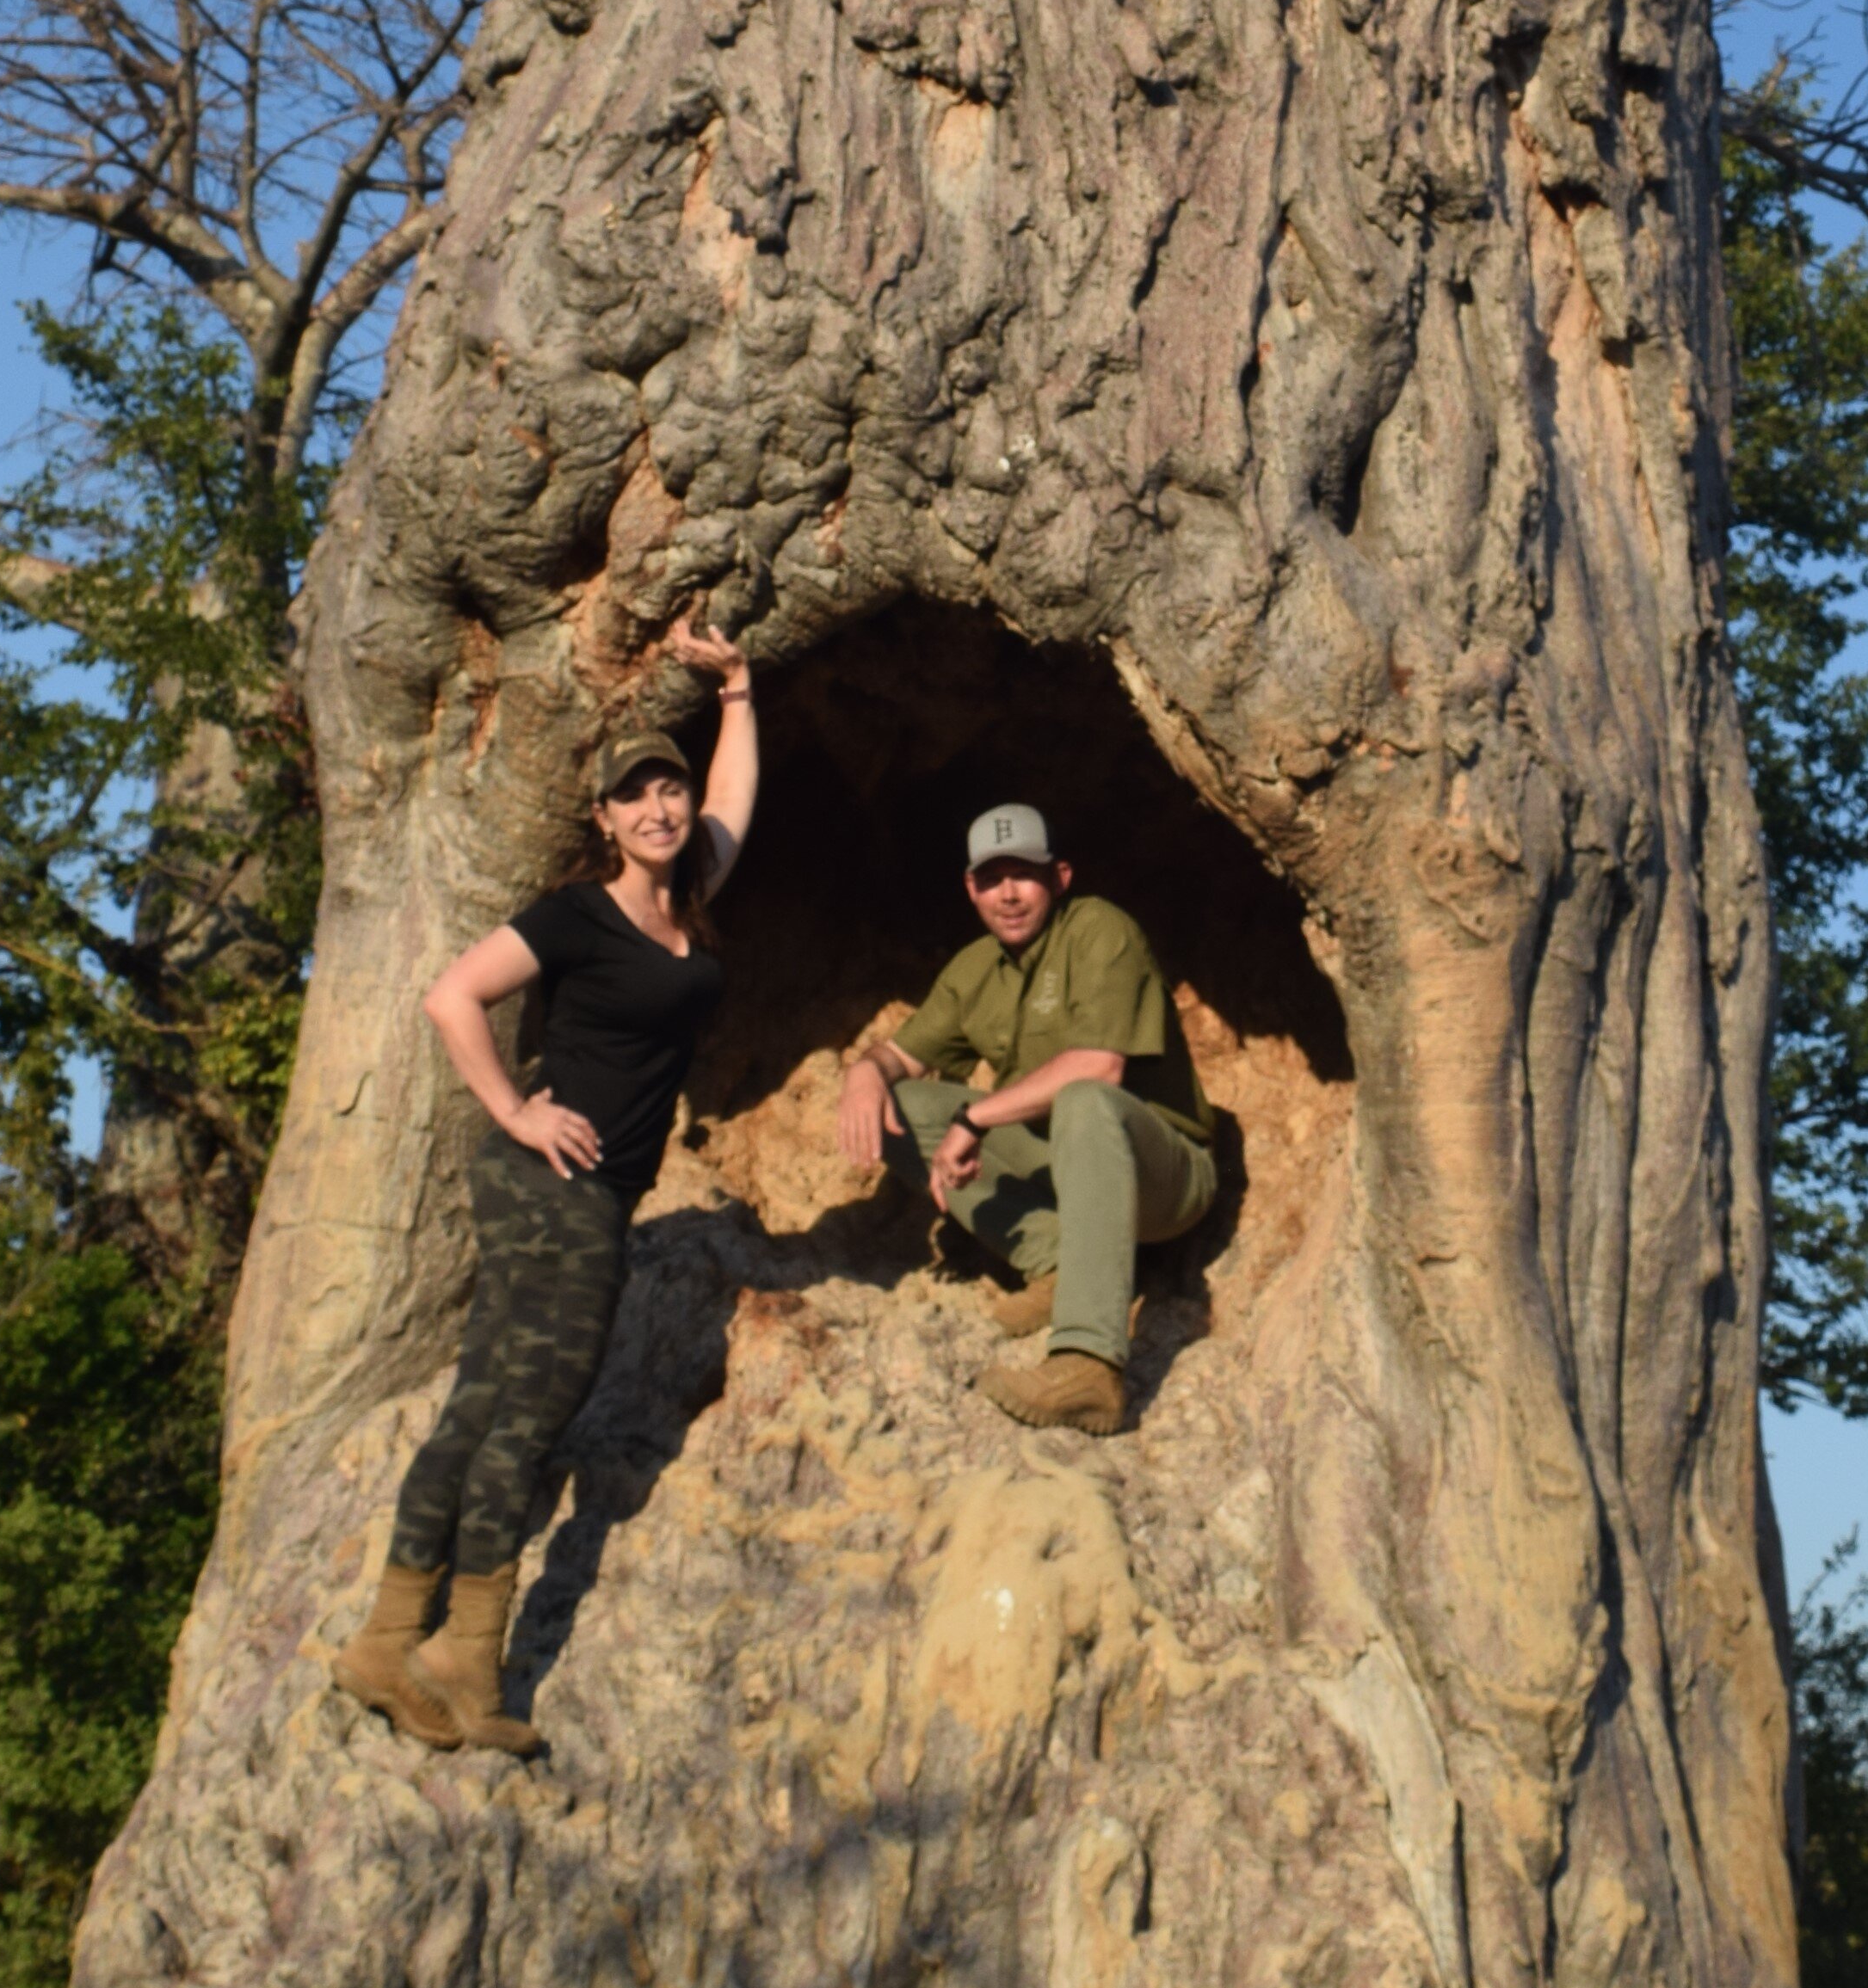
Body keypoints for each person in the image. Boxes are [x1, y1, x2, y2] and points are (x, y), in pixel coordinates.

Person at [332, 622, 755, 1755]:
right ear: (604, 819)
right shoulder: (579, 911)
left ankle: (390, 1640)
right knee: (530, 1409)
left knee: (483, 1399)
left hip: (580, 1190)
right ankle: (468, 1660)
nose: (660, 808)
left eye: (668, 787)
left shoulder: (693, 896)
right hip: (552, 1181)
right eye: (636, 796)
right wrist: (515, 1107)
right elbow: (451, 995)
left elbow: (736, 797)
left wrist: (740, 689)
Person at [837, 803, 1217, 1439]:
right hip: (1060, 1166)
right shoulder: (972, 969)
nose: (1008, 893)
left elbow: (1099, 1067)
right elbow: (899, 1056)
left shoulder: (1100, 930)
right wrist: (863, 1071)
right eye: (991, 878)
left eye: (1025, 874)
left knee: (1084, 1100)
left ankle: (1088, 1365)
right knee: (898, 1104)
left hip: (1161, 1176)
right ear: (970, 888)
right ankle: (1060, 1261)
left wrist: (977, 1116)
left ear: (1060, 876)